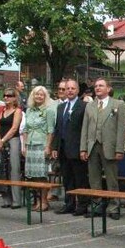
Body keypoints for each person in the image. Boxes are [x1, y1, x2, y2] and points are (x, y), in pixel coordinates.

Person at [80, 78, 125, 220]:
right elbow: (85, 128)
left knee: (111, 178)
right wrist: (83, 148)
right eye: (96, 86)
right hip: (92, 145)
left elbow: (121, 129)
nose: (98, 88)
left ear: (108, 88)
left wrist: (119, 149)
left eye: (101, 86)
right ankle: (97, 205)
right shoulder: (90, 106)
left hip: (110, 146)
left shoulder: (118, 104)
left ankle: (114, 206)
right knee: (94, 178)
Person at [51, 79, 90, 216]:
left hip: (77, 149)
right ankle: (69, 203)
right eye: (67, 88)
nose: (70, 91)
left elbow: (86, 129)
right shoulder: (61, 107)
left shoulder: (84, 106)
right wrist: (55, 147)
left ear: (78, 90)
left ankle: (83, 204)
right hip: (63, 149)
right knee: (67, 178)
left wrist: (84, 148)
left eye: (73, 88)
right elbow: (58, 128)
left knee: (80, 178)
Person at [22, 86, 56, 212]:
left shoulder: (49, 111)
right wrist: (24, 145)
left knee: (42, 175)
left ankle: (44, 201)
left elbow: (50, 131)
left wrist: (48, 146)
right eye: (37, 94)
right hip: (30, 144)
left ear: (45, 97)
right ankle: (37, 201)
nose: (39, 97)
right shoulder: (29, 110)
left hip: (41, 145)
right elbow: (25, 129)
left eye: (41, 95)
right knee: (33, 176)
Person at [0, 88, 23, 208]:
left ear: (15, 97)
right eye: (5, 95)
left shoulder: (17, 111)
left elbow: (14, 128)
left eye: (9, 96)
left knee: (14, 169)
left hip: (13, 141)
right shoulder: (2, 110)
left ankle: (16, 200)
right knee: (2, 170)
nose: (6, 97)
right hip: (2, 142)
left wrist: (4, 139)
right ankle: (6, 198)